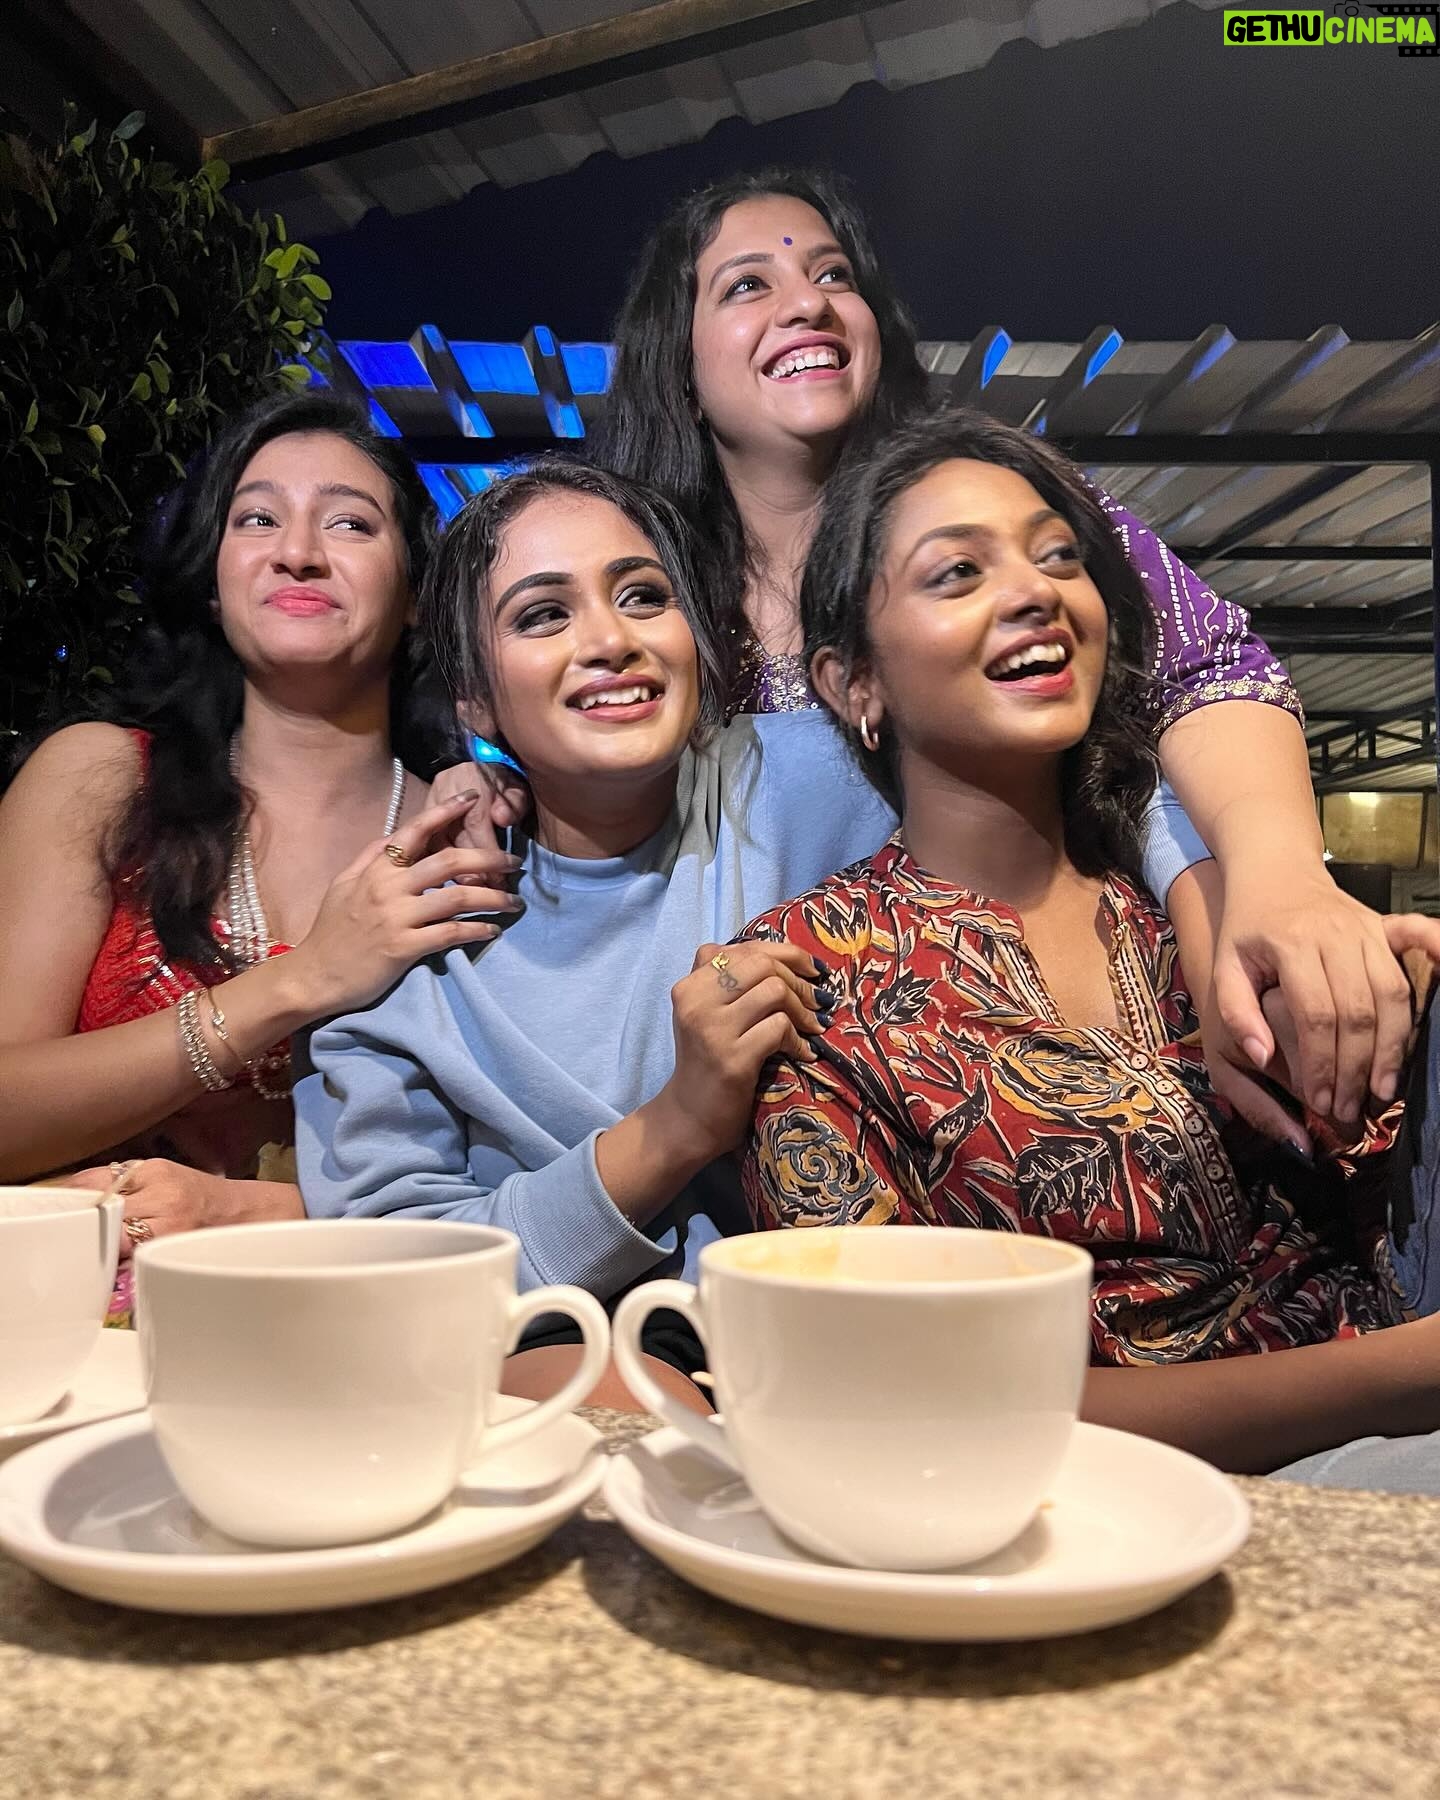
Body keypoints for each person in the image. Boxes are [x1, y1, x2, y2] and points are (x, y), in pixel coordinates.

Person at [576, 167, 1417, 1153]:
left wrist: (1272, 887)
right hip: (797, 1109)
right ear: (677, 362)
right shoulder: (651, 599)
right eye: (748, 284)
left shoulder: (1010, 501)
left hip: (1076, 1075)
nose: (808, 303)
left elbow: (1205, 674)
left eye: (834, 275)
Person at [738, 407, 1440, 1480]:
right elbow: (911, 1395)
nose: (1035, 591)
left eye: (1058, 557)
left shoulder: (1194, 904)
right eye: (958, 572)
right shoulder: (808, 981)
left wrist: (1396, 1008)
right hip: (1101, 1495)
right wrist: (1402, 1376)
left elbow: (1365, 1184)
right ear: (853, 684)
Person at [295, 461, 870, 1404]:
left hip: (853, 1356)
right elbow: (395, 1281)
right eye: (542, 615)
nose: (610, 640)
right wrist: (674, 1129)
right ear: (475, 700)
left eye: (643, 596)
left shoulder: (819, 781)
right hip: (551, 1390)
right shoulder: (417, 939)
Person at [0, 392, 517, 1314]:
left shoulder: (469, 838)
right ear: (213, 580)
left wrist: (248, 1213)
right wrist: (299, 981)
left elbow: (513, 1177)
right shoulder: (101, 780)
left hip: (360, 1324)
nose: (299, 551)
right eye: (258, 519)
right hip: (72, 1325)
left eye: (350, 523)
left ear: (414, 597)